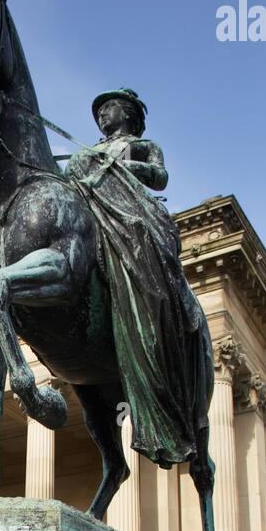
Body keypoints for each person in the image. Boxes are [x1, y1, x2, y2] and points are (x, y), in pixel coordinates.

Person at [65, 88, 213, 469]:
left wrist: (122, 168)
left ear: (127, 113)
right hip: (95, 220)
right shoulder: (89, 152)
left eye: (108, 108)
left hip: (134, 218)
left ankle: (154, 310)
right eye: (97, 111)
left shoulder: (144, 145)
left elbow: (160, 178)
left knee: (145, 252)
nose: (101, 116)